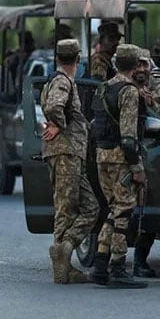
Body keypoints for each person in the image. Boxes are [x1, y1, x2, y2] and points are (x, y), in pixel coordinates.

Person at [89, 44, 148, 289]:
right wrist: (136, 166)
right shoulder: (129, 91)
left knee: (114, 209)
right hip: (121, 158)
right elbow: (128, 135)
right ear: (135, 66)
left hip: (102, 156)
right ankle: (118, 266)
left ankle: (101, 263)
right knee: (124, 210)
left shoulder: (104, 89)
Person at [41, 39, 100, 284]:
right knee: (66, 208)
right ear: (78, 59)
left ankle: (66, 248)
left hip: (72, 153)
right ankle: (61, 264)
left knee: (91, 207)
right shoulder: (63, 81)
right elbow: (55, 105)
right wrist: (59, 125)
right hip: (65, 153)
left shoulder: (61, 80)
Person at [128, 48, 160, 278]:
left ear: (151, 66)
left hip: (152, 155)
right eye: (136, 65)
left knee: (146, 209)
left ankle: (139, 260)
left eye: (144, 65)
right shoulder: (121, 85)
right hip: (122, 156)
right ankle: (109, 260)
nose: (140, 70)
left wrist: (151, 103)